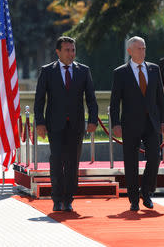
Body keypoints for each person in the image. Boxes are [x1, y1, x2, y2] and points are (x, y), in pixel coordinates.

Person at [34, 36, 98, 212]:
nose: (71, 53)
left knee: (72, 163)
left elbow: (91, 99)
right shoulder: (47, 71)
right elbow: (39, 100)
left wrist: (92, 120)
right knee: (56, 161)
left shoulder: (83, 71)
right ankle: (56, 198)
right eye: (67, 50)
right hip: (55, 125)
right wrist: (40, 123)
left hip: (76, 125)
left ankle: (68, 199)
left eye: (73, 50)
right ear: (58, 52)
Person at [110, 36, 164, 211]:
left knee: (155, 157)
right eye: (138, 49)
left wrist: (163, 120)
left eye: (143, 48)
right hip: (130, 124)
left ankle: (147, 192)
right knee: (131, 162)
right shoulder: (120, 73)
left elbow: (160, 97)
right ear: (130, 51)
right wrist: (116, 124)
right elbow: (114, 101)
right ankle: (134, 198)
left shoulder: (154, 69)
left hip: (151, 123)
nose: (142, 51)